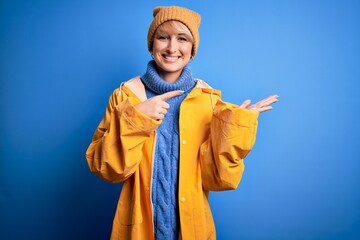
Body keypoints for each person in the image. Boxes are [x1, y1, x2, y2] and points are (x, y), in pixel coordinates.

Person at [86, 5, 278, 240]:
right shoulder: (126, 96)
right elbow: (107, 169)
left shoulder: (208, 100)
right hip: (138, 230)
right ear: (151, 44)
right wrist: (136, 119)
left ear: (192, 49)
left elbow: (218, 179)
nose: (172, 48)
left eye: (182, 39)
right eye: (163, 37)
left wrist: (234, 129)